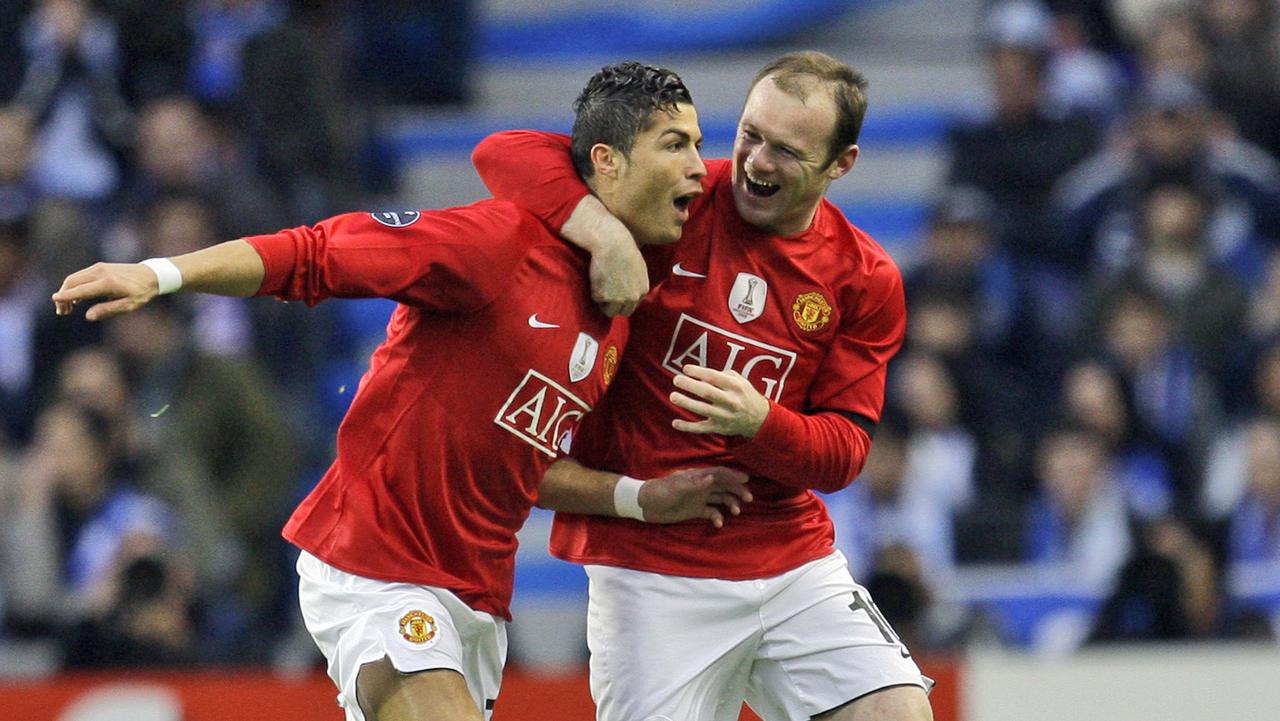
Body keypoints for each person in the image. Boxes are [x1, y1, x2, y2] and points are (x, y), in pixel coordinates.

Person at [51, 62, 749, 721]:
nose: (697, 165)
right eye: (675, 143)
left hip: (476, 598)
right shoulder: (496, 242)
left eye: (698, 144)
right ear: (608, 162)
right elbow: (318, 251)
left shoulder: (619, 311)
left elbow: (521, 466)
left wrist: (638, 497)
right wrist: (161, 274)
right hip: (374, 564)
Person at [472, 51, 933, 721]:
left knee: (897, 712)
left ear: (842, 164)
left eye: (788, 152)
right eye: (751, 134)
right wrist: (605, 234)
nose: (757, 162)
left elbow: (843, 453)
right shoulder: (673, 205)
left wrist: (761, 422)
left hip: (788, 556)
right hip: (650, 569)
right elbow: (502, 153)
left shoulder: (865, 277)